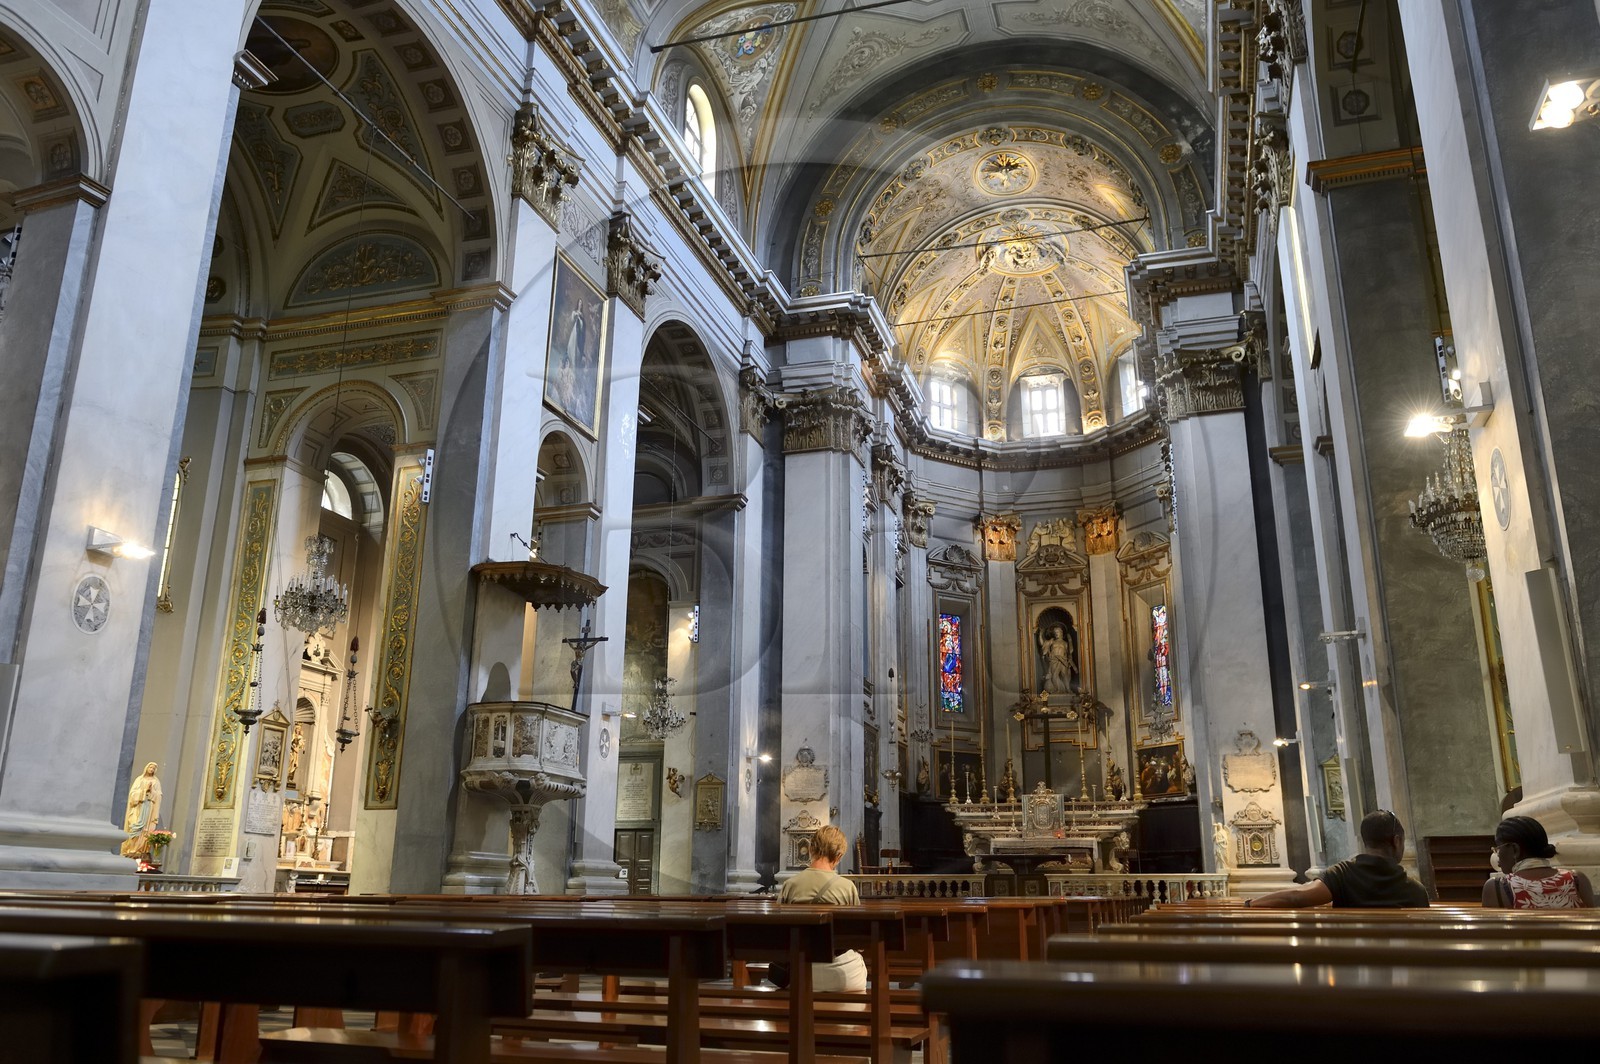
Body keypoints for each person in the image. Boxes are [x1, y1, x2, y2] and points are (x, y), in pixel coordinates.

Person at [1249, 809, 1430, 908]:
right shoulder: (1417, 891)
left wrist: (1252, 903)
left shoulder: (1342, 874)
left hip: (1350, 964)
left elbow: (1297, 897)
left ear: (1365, 840)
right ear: (1397, 841)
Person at [772, 824, 867, 992]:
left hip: (799, 974)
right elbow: (858, 939)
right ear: (838, 856)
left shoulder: (790, 885)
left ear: (810, 849)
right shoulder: (847, 887)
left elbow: (779, 933)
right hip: (841, 975)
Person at [1482, 815, 1594, 909]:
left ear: (1515, 850)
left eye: (1498, 849)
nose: (1498, 858)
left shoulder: (1496, 887)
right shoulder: (1576, 879)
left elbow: (1492, 934)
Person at [119, 762, 162, 859]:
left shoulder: (156, 782)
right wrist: (144, 791)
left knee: (145, 830)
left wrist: (152, 792)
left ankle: (141, 850)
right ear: (147, 768)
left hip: (149, 807)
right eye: (151, 767)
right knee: (135, 827)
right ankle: (131, 849)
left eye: (154, 768)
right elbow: (132, 794)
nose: (152, 769)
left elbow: (159, 796)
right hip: (138, 807)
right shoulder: (139, 779)